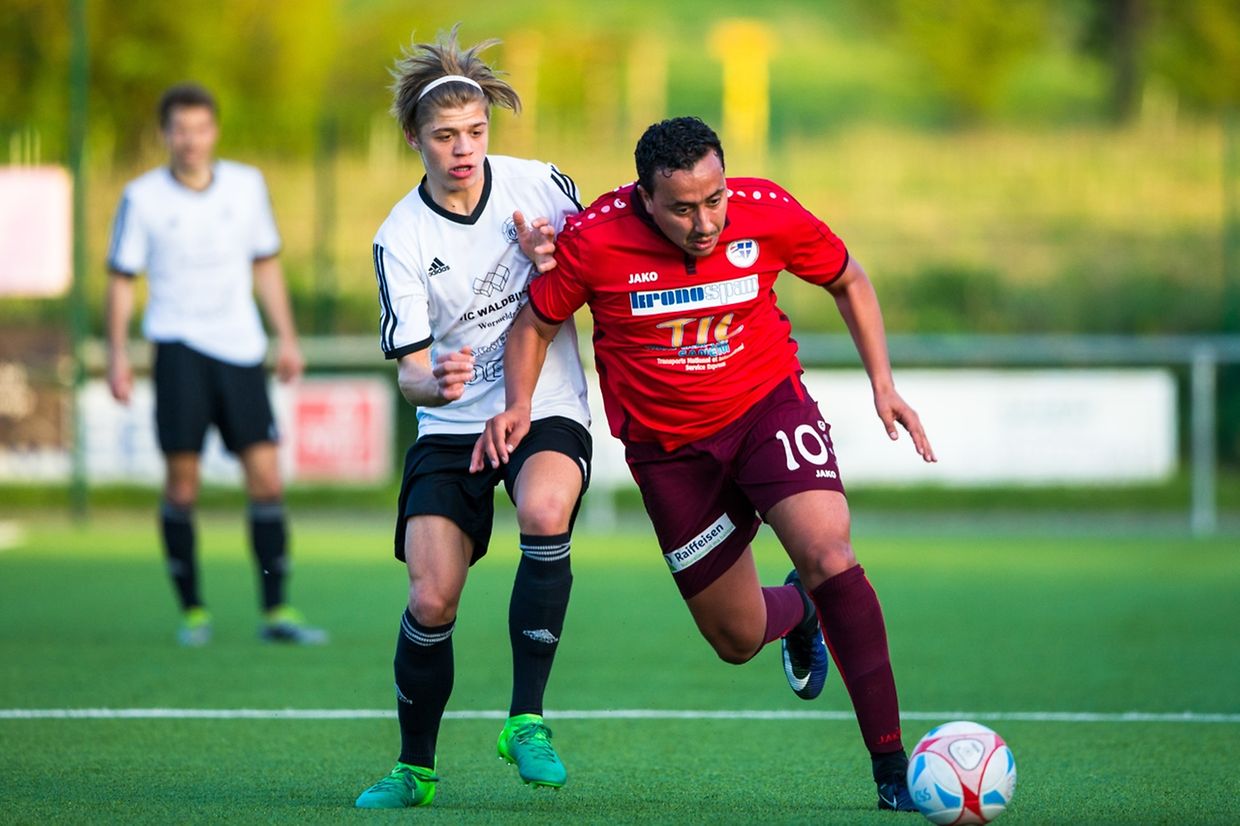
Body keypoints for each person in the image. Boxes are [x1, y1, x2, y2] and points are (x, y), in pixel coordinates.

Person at [474, 116, 937, 813]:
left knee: (829, 552)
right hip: (671, 456)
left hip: (765, 411)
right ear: (645, 198)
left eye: (714, 199)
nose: (705, 223)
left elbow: (848, 278)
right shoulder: (596, 239)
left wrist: (883, 383)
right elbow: (537, 322)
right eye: (683, 208)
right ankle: (798, 610)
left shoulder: (767, 211)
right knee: (738, 637)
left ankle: (891, 768)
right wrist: (517, 403)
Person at [352, 27, 592, 810]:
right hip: (452, 429)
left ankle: (526, 721)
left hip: (545, 404)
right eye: (446, 136)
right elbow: (410, 377)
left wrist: (556, 265)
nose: (464, 149)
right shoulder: (401, 237)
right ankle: (414, 769)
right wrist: (438, 383)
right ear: (415, 140)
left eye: (476, 132)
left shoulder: (543, 187)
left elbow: (604, 278)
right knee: (431, 600)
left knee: (545, 507)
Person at [105, 84, 325, 648]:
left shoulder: (247, 187)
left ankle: (277, 610)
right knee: (183, 488)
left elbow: (267, 266)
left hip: (241, 350)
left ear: (214, 132)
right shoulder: (142, 197)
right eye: (180, 129)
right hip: (178, 350)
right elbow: (122, 279)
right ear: (165, 134)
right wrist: (117, 355)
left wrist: (288, 338)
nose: (191, 140)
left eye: (201, 128)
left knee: (267, 479)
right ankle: (194, 612)